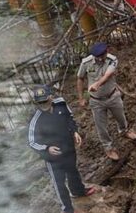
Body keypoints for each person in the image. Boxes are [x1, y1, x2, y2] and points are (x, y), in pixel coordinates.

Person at [28, 85, 96, 213]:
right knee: (59, 183)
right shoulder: (35, 118)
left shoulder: (61, 103)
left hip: (68, 147)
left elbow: (69, 118)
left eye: (45, 100)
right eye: (40, 102)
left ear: (51, 97)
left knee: (73, 171)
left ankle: (78, 191)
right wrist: (46, 148)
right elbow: (31, 141)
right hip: (52, 157)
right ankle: (67, 209)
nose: (43, 104)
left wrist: (75, 131)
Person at [76, 42, 136, 161]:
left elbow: (108, 75)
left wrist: (97, 84)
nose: (100, 58)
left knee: (120, 116)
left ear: (106, 51)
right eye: (97, 57)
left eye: (102, 56)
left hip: (112, 96)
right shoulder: (86, 63)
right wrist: (81, 97)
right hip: (96, 101)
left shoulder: (112, 60)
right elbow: (80, 78)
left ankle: (124, 130)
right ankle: (108, 147)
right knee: (101, 126)